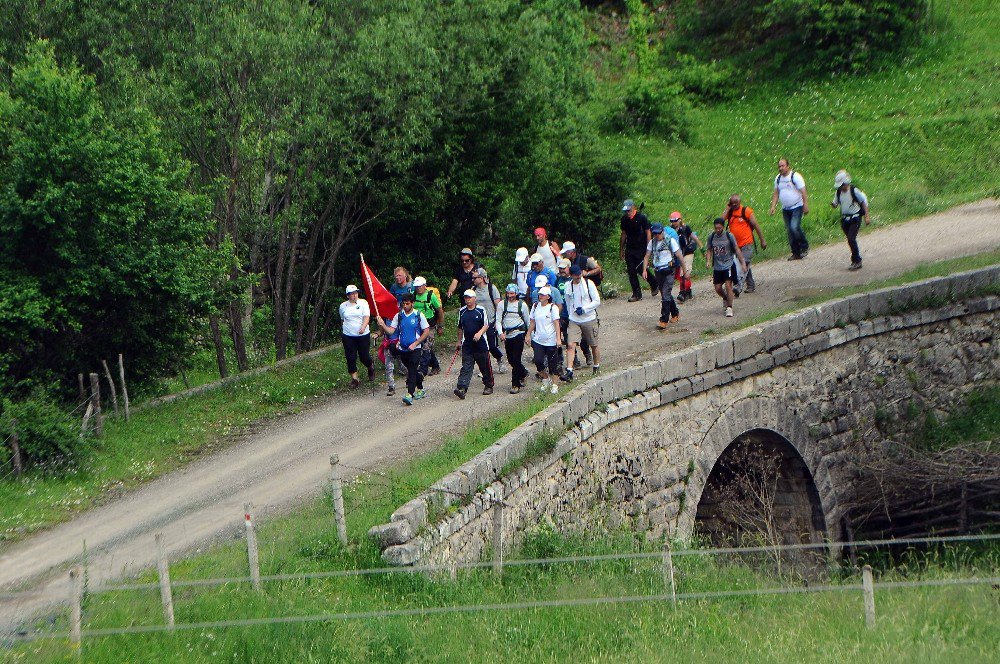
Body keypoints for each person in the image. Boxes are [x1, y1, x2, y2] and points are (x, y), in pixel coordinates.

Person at [379, 293, 431, 406]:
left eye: (407, 303)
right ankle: (421, 389)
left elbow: (426, 331)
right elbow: (391, 331)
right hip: (403, 349)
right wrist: (383, 325)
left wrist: (416, 343)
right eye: (403, 304)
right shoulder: (399, 316)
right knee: (411, 370)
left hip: (415, 349)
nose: (405, 306)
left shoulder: (418, 315)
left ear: (412, 303)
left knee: (412, 369)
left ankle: (410, 394)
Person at [561, 265, 601, 381]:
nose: (578, 277)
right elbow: (568, 302)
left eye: (579, 275)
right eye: (576, 275)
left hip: (589, 318)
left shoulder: (589, 284)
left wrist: (584, 309)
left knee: (593, 344)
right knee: (570, 344)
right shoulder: (568, 286)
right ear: (571, 275)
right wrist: (570, 315)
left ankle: (596, 365)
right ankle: (569, 370)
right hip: (574, 319)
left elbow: (596, 301)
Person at [643, 223, 685, 330]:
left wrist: (684, 270)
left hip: (669, 270)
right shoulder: (652, 243)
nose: (657, 235)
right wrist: (644, 270)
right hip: (658, 270)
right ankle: (675, 313)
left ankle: (663, 320)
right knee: (665, 293)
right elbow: (647, 256)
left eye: (659, 233)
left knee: (665, 294)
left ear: (662, 231)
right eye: (655, 233)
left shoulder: (670, 241)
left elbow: (679, 255)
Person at [454, 290, 494, 399]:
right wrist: (459, 341)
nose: (467, 300)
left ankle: (488, 385)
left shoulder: (481, 310)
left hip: (480, 344)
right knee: (466, 367)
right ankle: (462, 388)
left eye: (469, 297)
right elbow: (460, 327)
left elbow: (486, 324)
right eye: (466, 297)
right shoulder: (462, 311)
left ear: (474, 298)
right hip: (467, 344)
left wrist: (480, 333)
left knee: (484, 366)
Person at [723, 195, 767, 294]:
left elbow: (756, 225)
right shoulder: (729, 212)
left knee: (745, 262)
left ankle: (738, 286)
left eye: (736, 203)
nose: (734, 205)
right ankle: (750, 285)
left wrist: (762, 240)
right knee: (742, 264)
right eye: (732, 203)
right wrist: (727, 209)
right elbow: (720, 222)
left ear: (740, 202)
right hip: (735, 245)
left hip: (747, 243)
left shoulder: (746, 211)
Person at [706, 218, 747, 318]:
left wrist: (743, 263)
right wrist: (708, 261)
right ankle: (725, 298)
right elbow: (709, 249)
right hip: (717, 266)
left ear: (723, 227)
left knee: (728, 285)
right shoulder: (711, 237)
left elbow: (736, 249)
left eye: (719, 228)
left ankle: (729, 307)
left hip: (728, 265)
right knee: (718, 288)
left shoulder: (729, 236)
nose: (718, 230)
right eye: (716, 228)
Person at [770, 158, 810, 260]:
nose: (781, 168)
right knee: (789, 231)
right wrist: (773, 206)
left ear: (788, 166)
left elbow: (803, 192)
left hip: (797, 206)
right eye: (779, 166)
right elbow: (776, 193)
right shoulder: (778, 178)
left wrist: (805, 205)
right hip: (785, 209)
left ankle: (804, 246)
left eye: (783, 166)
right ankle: (796, 252)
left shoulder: (795, 177)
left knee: (794, 227)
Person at [831, 170, 870, 270]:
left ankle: (857, 260)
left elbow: (863, 203)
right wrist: (834, 205)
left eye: (842, 185)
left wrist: (866, 217)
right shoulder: (838, 192)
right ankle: (855, 259)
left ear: (846, 183)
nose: (841, 187)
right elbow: (835, 203)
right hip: (844, 219)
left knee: (851, 239)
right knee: (850, 240)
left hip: (855, 218)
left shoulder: (854, 191)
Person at [526, 286, 562, 394]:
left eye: (542, 295)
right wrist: (528, 334)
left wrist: (558, 338)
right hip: (538, 339)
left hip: (550, 340)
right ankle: (546, 379)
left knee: (553, 363)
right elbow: (533, 322)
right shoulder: (535, 306)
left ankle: (555, 384)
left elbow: (556, 323)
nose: (540, 296)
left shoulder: (553, 308)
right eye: (539, 295)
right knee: (538, 361)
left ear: (548, 297)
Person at [496, 284, 531, 393]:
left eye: (512, 293)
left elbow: (528, 321)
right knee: (511, 360)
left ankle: (515, 385)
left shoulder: (522, 305)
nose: (510, 296)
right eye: (508, 293)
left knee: (516, 359)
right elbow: (498, 320)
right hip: (507, 335)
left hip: (518, 334)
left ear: (516, 294)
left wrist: (528, 335)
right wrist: (500, 333)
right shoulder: (502, 305)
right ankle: (523, 372)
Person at [339, 285, 375, 388]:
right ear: (348, 295)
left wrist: (363, 327)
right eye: (352, 294)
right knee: (350, 357)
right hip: (348, 335)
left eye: (356, 293)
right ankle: (355, 378)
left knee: (364, 356)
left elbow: (366, 316)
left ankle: (370, 366)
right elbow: (342, 318)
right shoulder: (343, 306)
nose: (354, 295)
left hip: (362, 334)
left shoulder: (363, 303)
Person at [620, 199, 656, 301]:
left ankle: (654, 283)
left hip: (641, 247)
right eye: (625, 211)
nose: (627, 213)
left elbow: (648, 232)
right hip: (630, 248)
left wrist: (649, 247)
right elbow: (623, 234)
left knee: (640, 268)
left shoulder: (642, 218)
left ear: (633, 208)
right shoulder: (624, 219)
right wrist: (621, 249)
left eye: (628, 210)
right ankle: (636, 293)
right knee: (631, 270)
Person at [472, 267, 505, 372]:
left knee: (492, 346)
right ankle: (485, 368)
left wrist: (498, 321)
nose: (472, 280)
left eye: (474, 278)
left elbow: (498, 305)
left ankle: (499, 358)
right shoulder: (473, 290)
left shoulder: (491, 288)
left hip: (490, 321)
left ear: (481, 278)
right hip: (478, 323)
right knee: (481, 347)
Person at [412, 276, 443, 376]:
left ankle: (422, 370)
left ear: (424, 285)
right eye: (416, 286)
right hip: (417, 326)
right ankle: (436, 366)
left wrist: (440, 326)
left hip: (430, 326)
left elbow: (440, 311)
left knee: (426, 347)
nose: (418, 288)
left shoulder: (431, 296)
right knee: (425, 347)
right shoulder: (413, 295)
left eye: (420, 286)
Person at [669, 212, 701, 302]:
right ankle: (688, 290)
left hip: (687, 252)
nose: (674, 222)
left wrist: (702, 247)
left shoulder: (685, 228)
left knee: (684, 272)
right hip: (677, 254)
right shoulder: (670, 230)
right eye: (672, 221)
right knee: (679, 273)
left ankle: (682, 292)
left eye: (675, 220)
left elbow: (693, 237)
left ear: (680, 220)